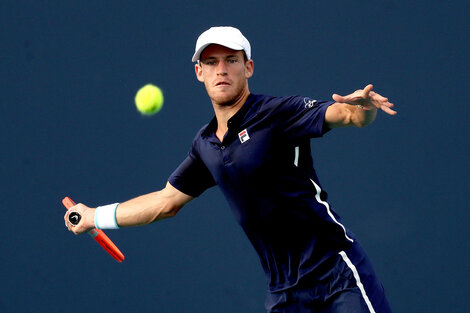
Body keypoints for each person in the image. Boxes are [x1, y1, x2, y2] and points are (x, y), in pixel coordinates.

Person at [65, 26, 396, 313]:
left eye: (231, 60)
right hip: (285, 294)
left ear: (248, 67)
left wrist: (363, 109)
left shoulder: (278, 113)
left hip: (335, 273)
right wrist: (94, 216)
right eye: (211, 62)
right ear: (199, 72)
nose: (221, 69)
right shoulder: (206, 144)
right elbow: (165, 202)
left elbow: (346, 115)